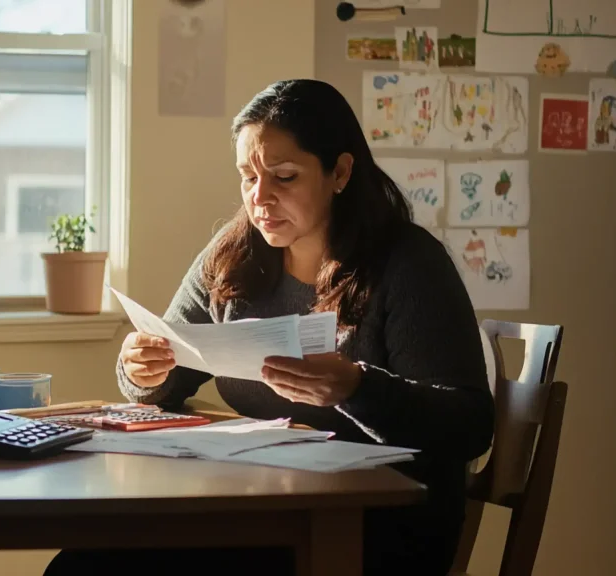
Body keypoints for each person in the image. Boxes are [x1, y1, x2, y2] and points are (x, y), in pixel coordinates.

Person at [45, 79, 494, 576]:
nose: (260, 198)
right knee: (81, 565)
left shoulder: (408, 264)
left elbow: (470, 425)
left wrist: (358, 387)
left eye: (284, 177)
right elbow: (172, 364)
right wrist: (143, 371)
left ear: (340, 172)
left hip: (380, 527)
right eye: (247, 177)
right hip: (264, 505)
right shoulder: (234, 253)